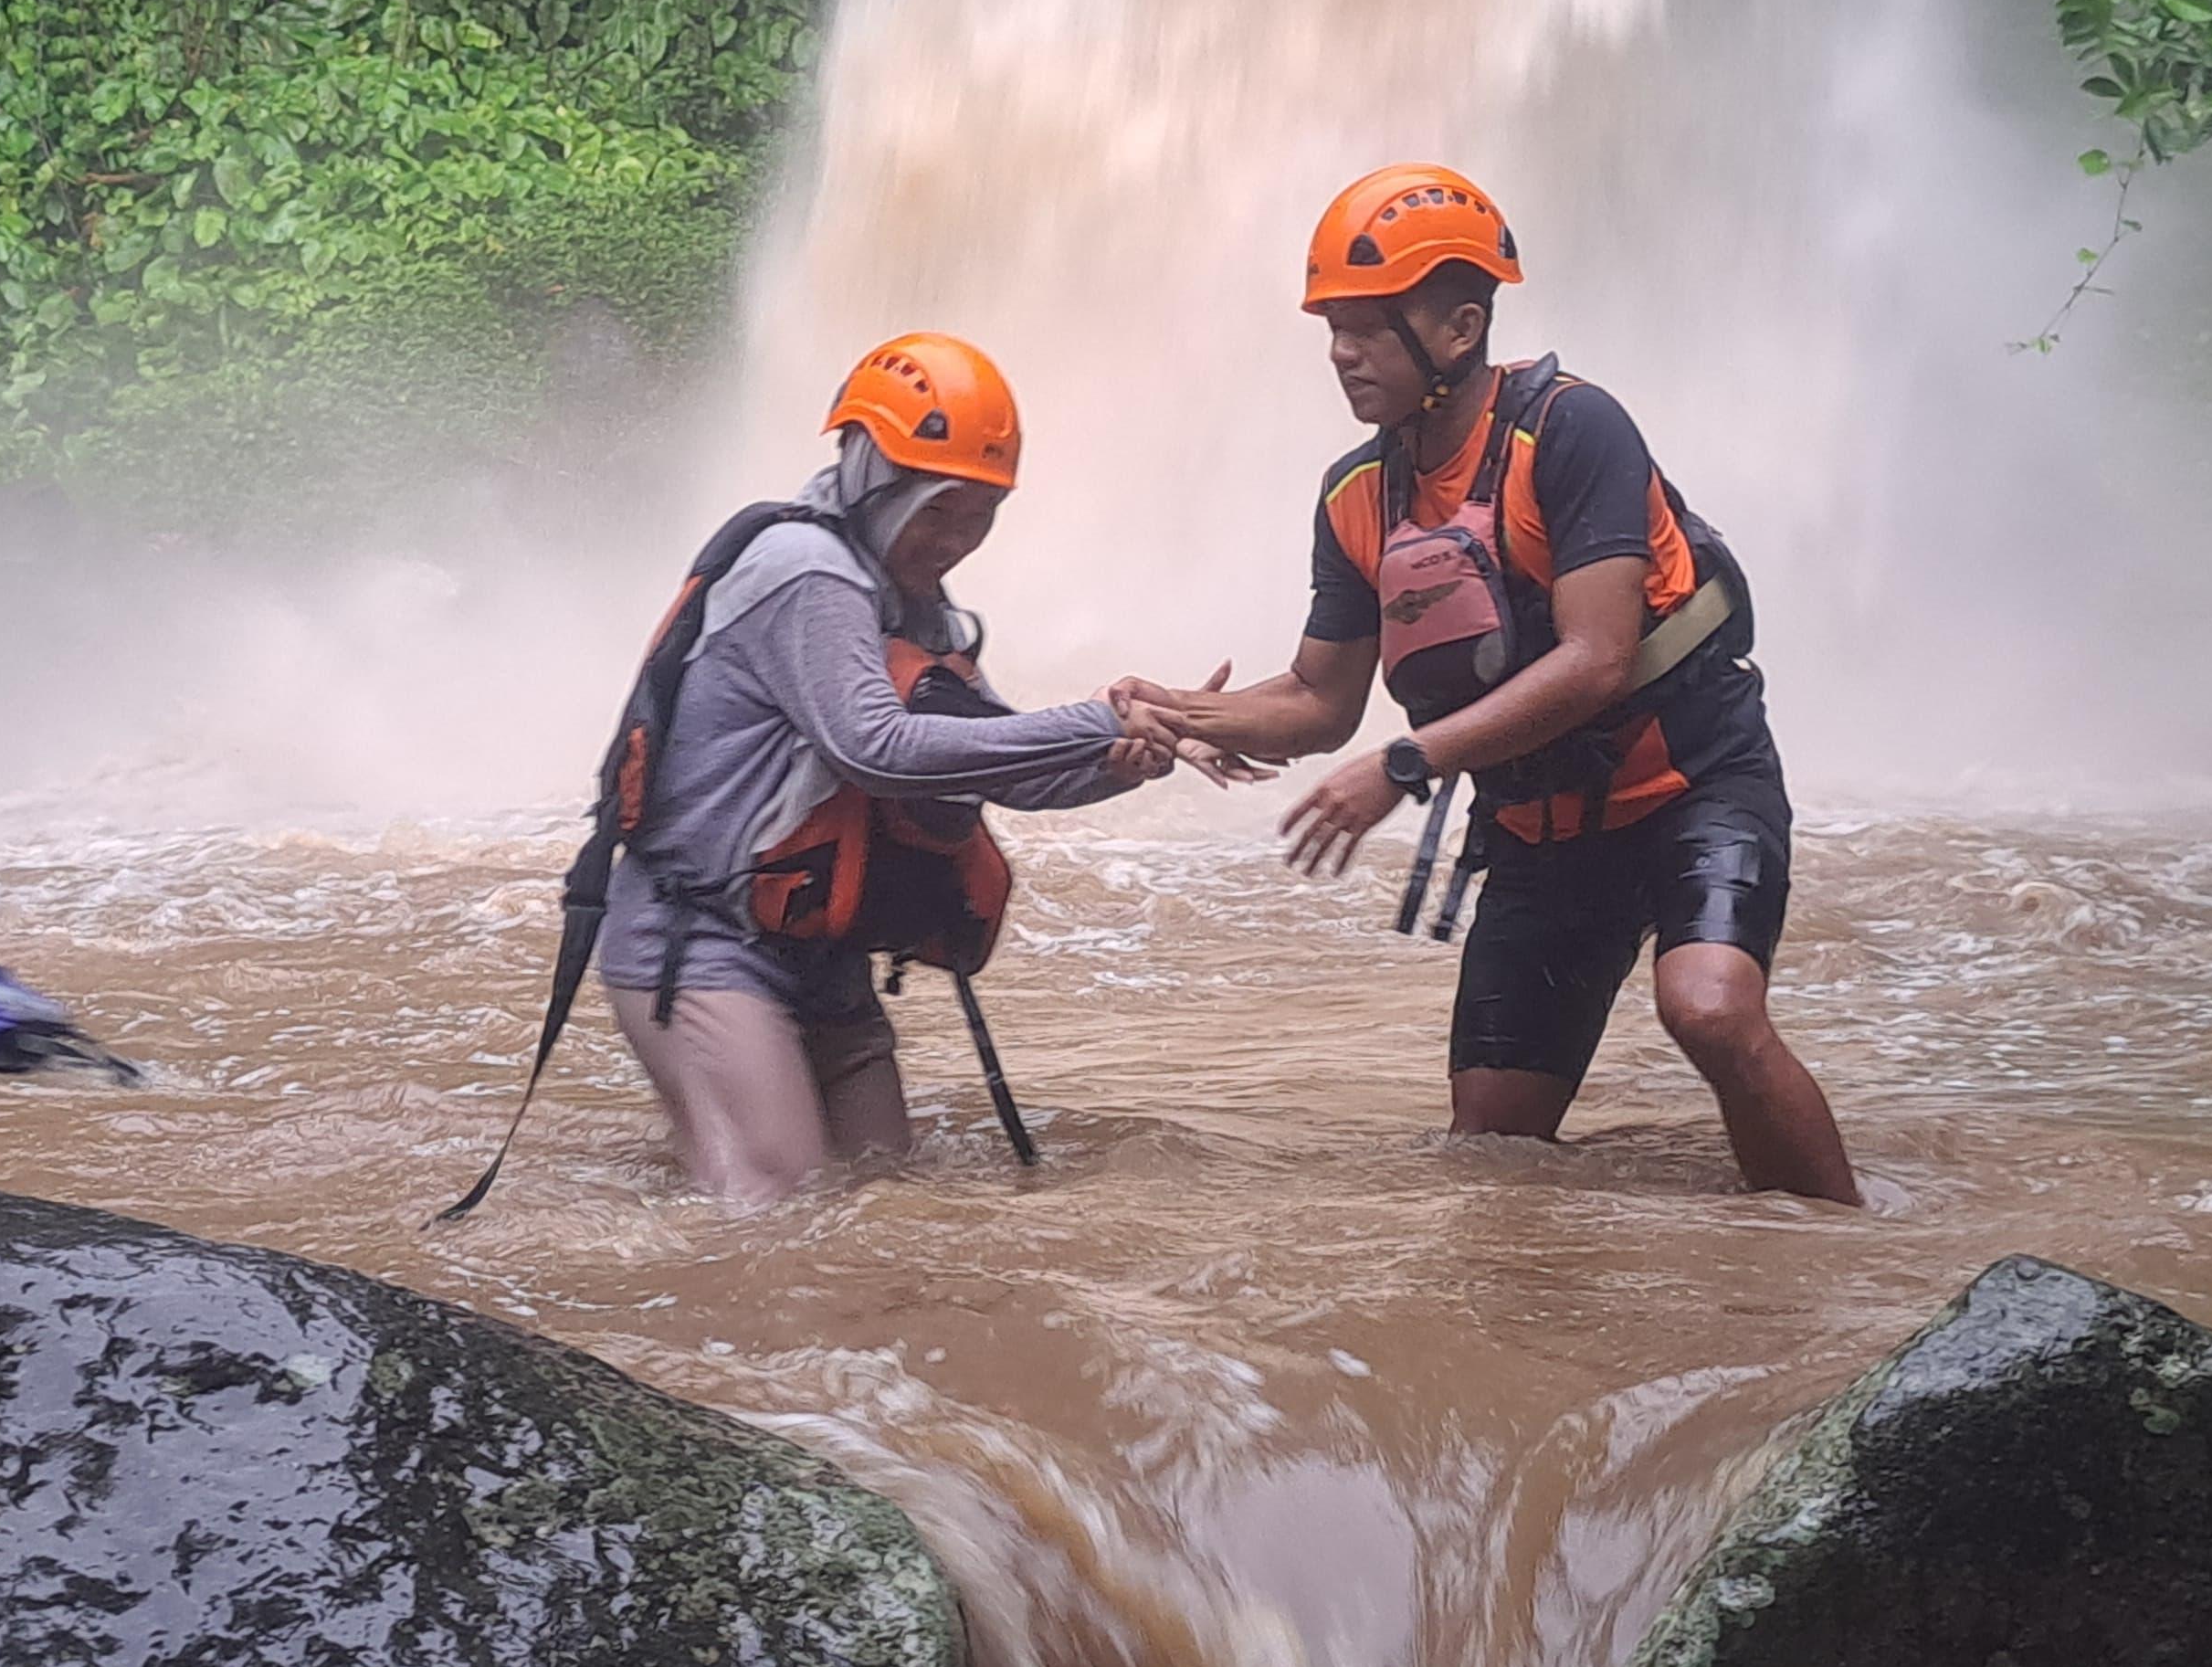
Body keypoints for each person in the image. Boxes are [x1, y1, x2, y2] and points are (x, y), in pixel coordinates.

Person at [1120, 167, 1859, 1204]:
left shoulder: (1570, 429)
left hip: (1691, 788)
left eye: (1369, 327)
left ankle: (1853, 1268)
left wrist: (1408, 761)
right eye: (1334, 326)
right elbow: (1319, 702)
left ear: (1461, 328)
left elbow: (1597, 657)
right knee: (1491, 1154)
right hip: (1543, 840)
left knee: (1710, 1009)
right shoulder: (1355, 495)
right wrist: (1169, 709)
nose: (1341, 352)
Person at [595, 332, 1176, 1206]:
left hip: (815, 953)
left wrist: (1128, 759)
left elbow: (997, 769)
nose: (956, 538)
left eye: (980, 513)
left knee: (885, 1198)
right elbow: (879, 747)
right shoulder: (807, 571)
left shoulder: (913, 604)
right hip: (700, 940)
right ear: (873, 478)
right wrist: (1098, 717)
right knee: (776, 1198)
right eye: (938, 509)